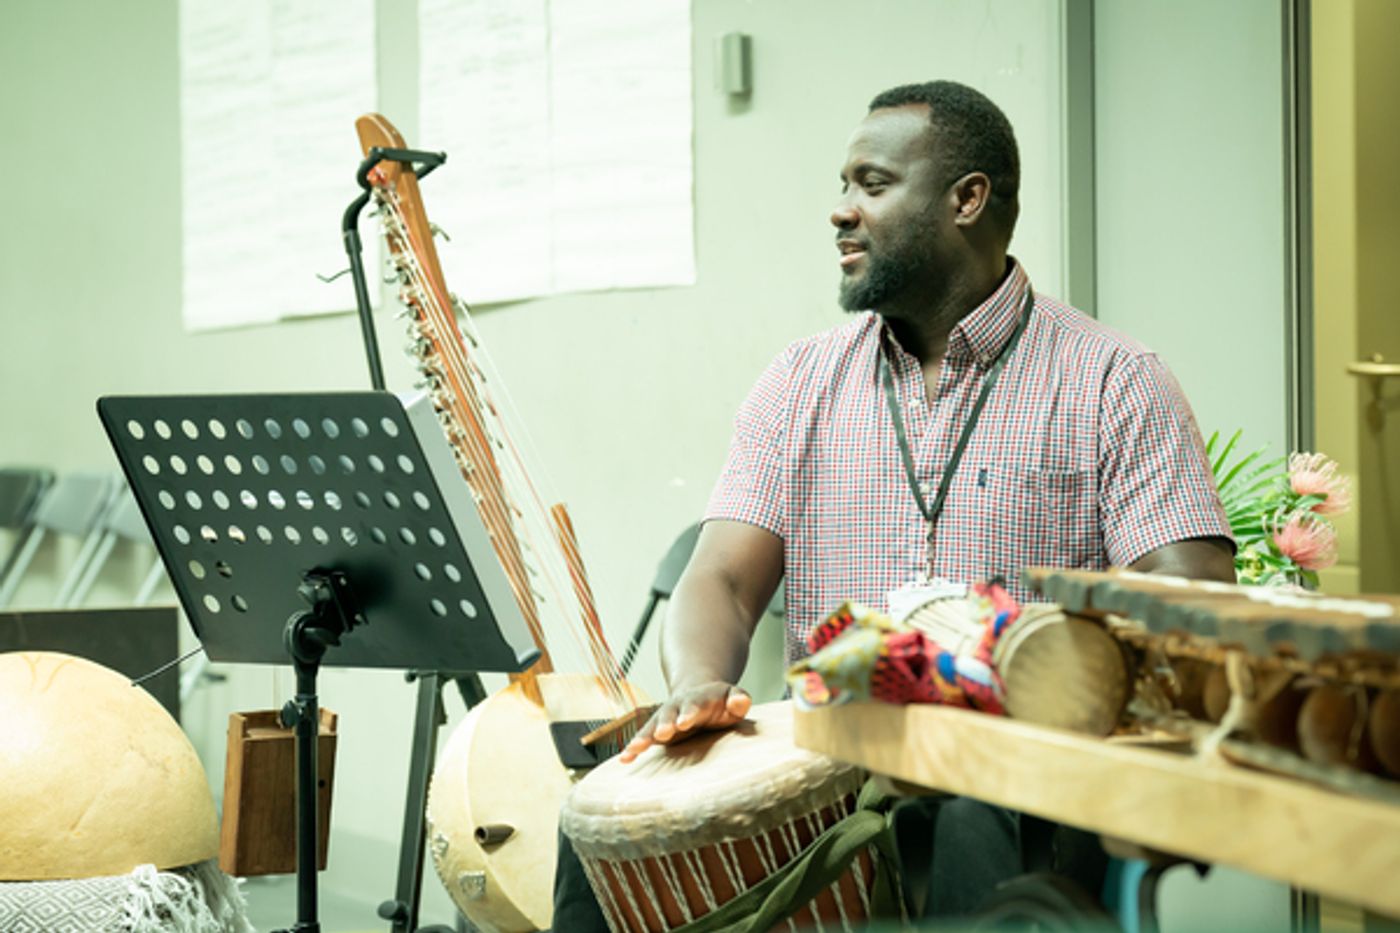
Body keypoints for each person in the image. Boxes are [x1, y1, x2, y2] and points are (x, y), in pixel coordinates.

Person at [555, 80, 1235, 928]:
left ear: (966, 199)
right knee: (604, 806)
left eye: (872, 185)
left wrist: (1041, 674)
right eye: (844, 187)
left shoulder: (1111, 379)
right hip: (835, 763)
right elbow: (721, 581)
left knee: (964, 812)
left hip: (1019, 775)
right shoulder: (798, 381)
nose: (842, 211)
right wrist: (697, 683)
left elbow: (1189, 609)